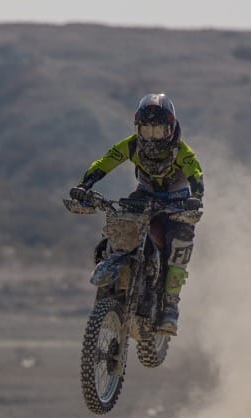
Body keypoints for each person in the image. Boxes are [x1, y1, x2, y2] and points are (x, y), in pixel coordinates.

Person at [66, 93, 204, 335]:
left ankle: (170, 304)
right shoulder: (131, 145)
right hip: (145, 196)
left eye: (158, 131)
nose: (151, 137)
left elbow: (196, 173)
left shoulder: (182, 151)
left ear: (170, 129)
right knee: (117, 222)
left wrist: (196, 198)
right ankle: (115, 270)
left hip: (177, 202)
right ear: (138, 128)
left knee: (180, 241)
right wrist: (84, 186)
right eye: (147, 130)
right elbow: (105, 162)